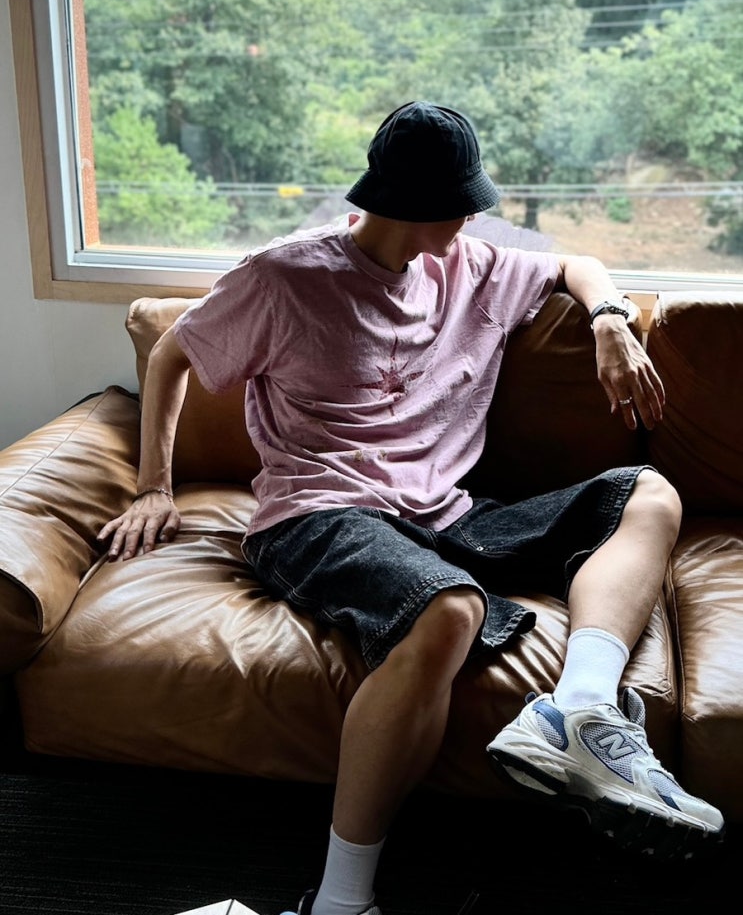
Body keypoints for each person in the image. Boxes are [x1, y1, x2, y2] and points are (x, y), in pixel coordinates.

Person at [98, 101, 724, 915]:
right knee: (449, 609)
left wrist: (608, 319)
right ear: (418, 205)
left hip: (447, 514)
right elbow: (173, 350)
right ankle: (339, 902)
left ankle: (578, 710)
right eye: (463, 202)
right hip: (320, 512)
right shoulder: (283, 275)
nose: (473, 217)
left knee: (646, 492)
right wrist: (153, 483)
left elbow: (579, 263)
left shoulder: (468, 263)